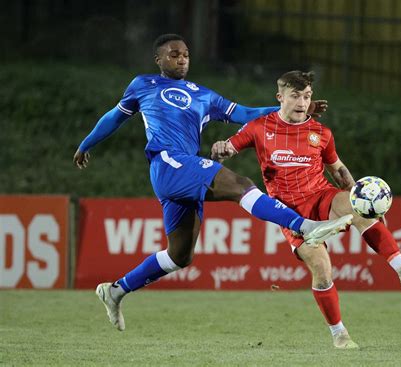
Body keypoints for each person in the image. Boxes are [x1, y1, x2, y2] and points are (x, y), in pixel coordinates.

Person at [73, 35, 353, 333]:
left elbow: (244, 114)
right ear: (159, 60)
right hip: (168, 162)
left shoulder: (203, 95)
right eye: (174, 54)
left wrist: (294, 111)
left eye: (186, 54)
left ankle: (115, 291)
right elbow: (115, 117)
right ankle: (305, 226)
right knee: (239, 183)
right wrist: (86, 144)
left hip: (183, 173)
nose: (181, 59)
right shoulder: (143, 85)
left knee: (179, 255)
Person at [211, 70, 401, 350]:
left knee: (354, 206)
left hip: (322, 196)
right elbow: (227, 150)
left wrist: (365, 201)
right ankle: (339, 334)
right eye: (295, 96)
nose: (301, 102)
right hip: (290, 212)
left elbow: (339, 171)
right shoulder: (259, 127)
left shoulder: (321, 133)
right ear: (280, 97)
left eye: (307, 96)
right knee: (321, 268)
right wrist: (220, 149)